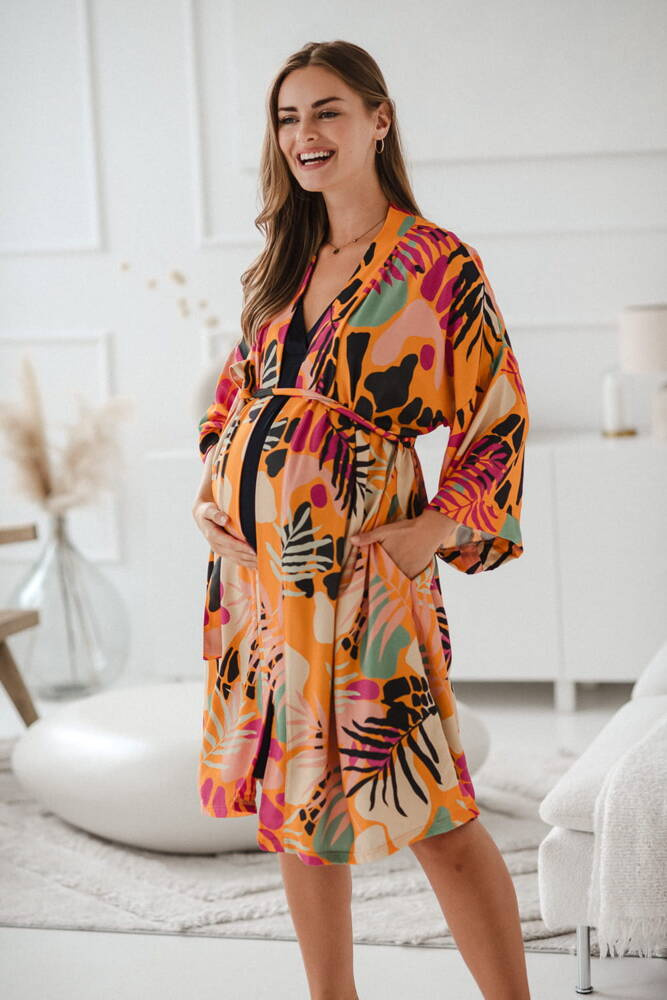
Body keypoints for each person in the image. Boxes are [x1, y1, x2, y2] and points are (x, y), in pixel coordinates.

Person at [192, 39, 531, 1000]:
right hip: (261, 578)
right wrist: (211, 494)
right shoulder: (281, 262)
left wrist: (439, 526)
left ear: (378, 120)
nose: (305, 133)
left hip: (365, 568)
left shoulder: (436, 264)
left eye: (327, 111)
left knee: (429, 801)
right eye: (288, 117)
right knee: (296, 800)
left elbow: (498, 412)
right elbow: (233, 401)